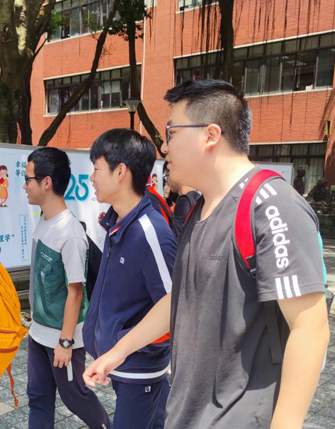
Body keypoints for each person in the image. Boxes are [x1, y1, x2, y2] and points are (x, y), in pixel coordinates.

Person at [83, 80, 330, 428]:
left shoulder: (272, 206)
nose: (164, 147)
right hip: (187, 413)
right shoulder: (198, 211)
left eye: (171, 133)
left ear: (211, 135)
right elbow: (179, 299)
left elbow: (310, 327)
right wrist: (118, 352)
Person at [82, 129, 176, 429]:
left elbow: (174, 305)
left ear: (120, 171)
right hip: (122, 363)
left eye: (97, 169)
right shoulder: (117, 222)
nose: (91, 178)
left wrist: (121, 348)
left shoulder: (150, 231)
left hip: (139, 368)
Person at [23, 147, 111, 429]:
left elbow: (76, 292)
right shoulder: (44, 220)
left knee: (75, 397)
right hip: (38, 333)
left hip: (63, 339)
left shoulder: (71, 234)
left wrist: (65, 343)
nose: (25, 186)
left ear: (46, 182)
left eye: (28, 179)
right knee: (38, 397)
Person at [165, 167, 200, 240]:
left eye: (167, 176)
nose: (167, 180)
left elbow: (178, 236)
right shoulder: (198, 197)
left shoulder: (183, 201)